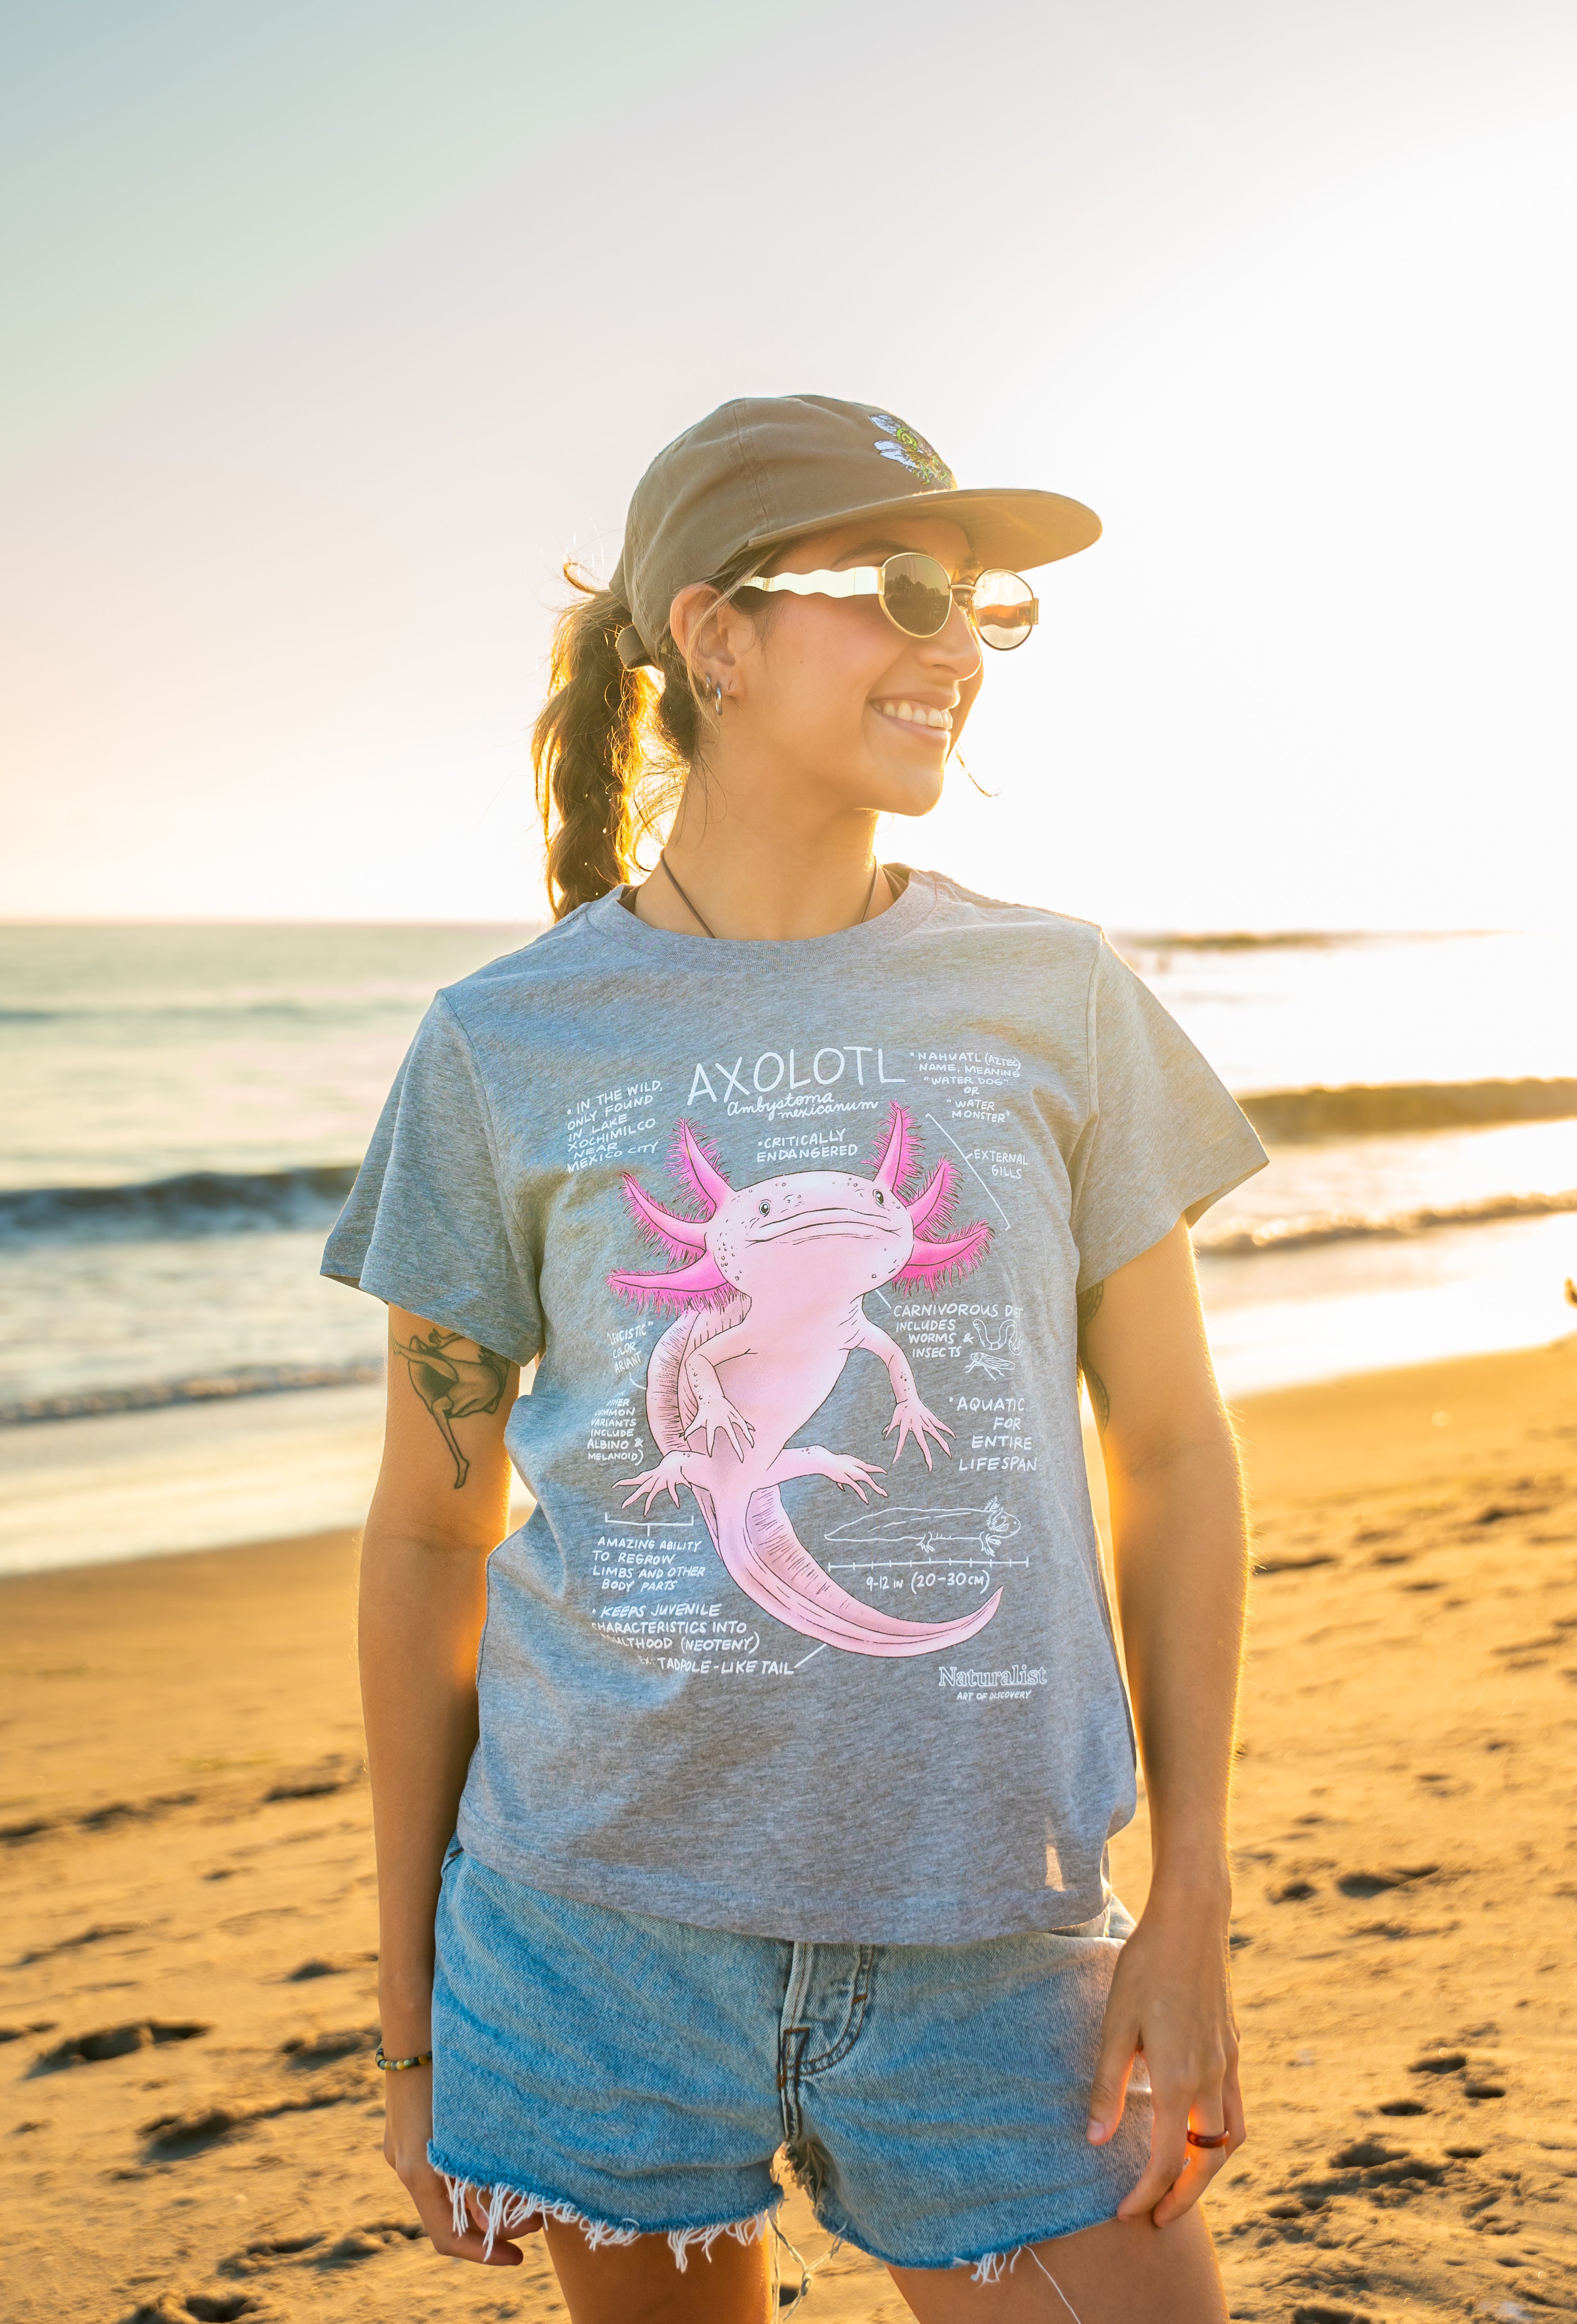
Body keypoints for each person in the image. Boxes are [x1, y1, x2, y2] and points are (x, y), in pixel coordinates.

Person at [324, 392, 1269, 2324]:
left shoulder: (1059, 995)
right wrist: (417, 2010)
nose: (954, 652)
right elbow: (433, 1533)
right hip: (593, 1931)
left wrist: (1192, 1891)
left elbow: (1170, 1451)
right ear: (716, 631)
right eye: (908, 590)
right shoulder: (505, 1044)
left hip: (996, 1940)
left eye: (985, 614)